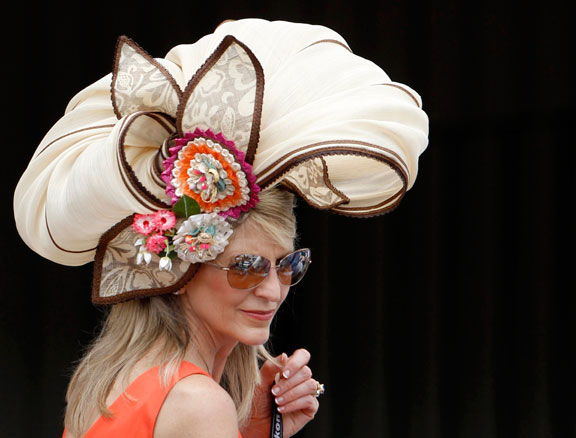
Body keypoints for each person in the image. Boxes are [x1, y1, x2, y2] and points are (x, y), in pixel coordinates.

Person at [14, 19, 428, 438]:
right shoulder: (199, 403)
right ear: (174, 271)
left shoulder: (104, 387)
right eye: (246, 267)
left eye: (287, 265)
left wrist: (260, 429)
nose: (273, 290)